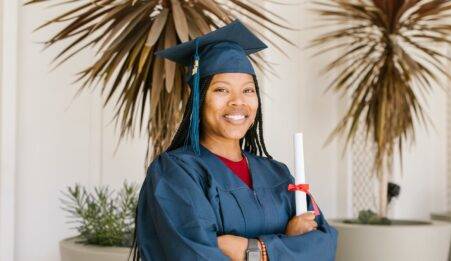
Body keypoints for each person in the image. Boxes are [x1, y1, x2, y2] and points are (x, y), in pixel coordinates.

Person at [130, 20, 338, 261]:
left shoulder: (278, 175)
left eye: (248, 90)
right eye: (222, 90)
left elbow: (324, 244)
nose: (238, 101)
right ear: (198, 99)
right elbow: (196, 255)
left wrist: (255, 251)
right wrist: (288, 243)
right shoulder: (175, 172)